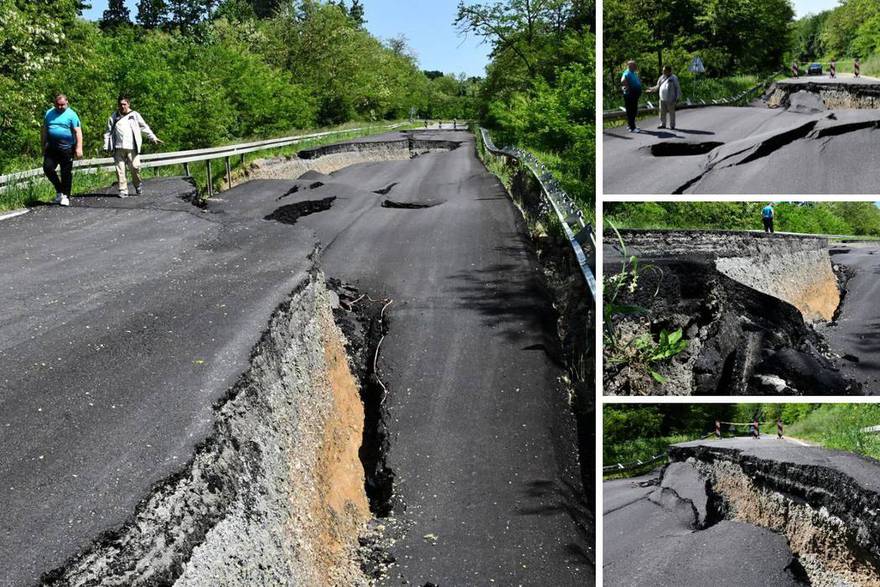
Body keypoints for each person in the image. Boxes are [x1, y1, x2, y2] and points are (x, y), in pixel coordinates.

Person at [103, 96, 162, 198]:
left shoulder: (134, 115)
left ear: (128, 104)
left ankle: (137, 184)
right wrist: (106, 146)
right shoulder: (114, 116)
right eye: (120, 104)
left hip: (132, 147)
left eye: (124, 104)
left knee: (135, 167)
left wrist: (153, 137)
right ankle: (123, 190)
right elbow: (108, 132)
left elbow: (144, 127)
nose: (122, 106)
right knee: (120, 169)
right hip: (118, 147)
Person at [41, 94, 83, 207]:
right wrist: (43, 144)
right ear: (54, 104)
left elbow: (78, 132)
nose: (60, 107)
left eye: (62, 105)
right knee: (47, 168)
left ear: (67, 103)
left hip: (66, 148)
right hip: (52, 148)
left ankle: (66, 196)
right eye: (58, 105)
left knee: (65, 173)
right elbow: (45, 129)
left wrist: (79, 148)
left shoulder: (72, 115)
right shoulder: (49, 113)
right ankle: (59, 190)